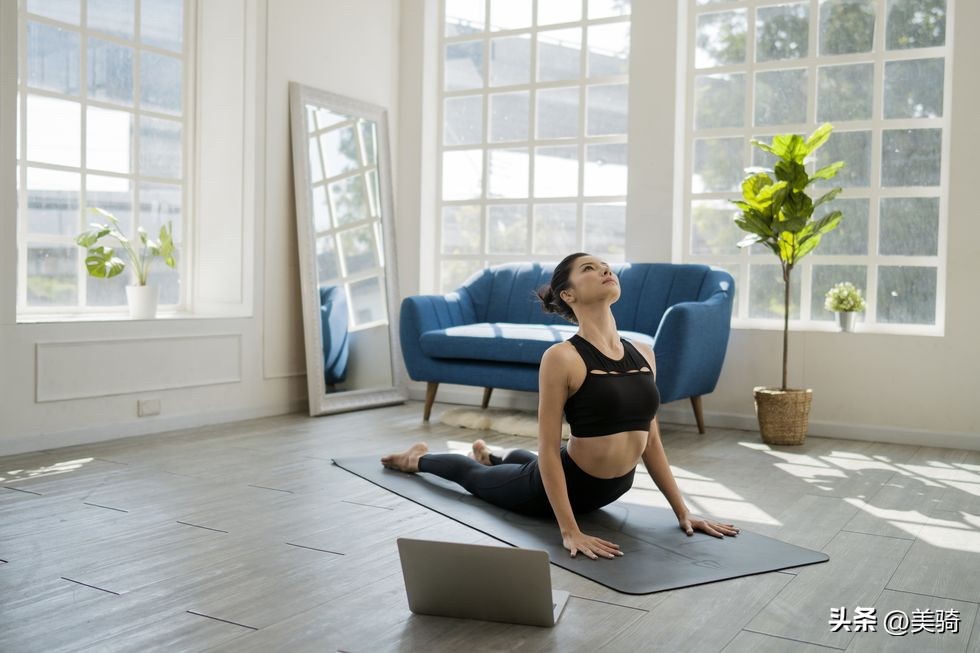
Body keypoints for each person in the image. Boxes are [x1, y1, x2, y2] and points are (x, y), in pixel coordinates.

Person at [382, 252, 739, 560]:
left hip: (613, 488)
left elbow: (652, 441)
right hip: (557, 488)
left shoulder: (644, 353)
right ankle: (416, 459)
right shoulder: (561, 358)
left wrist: (683, 512)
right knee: (475, 478)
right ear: (568, 294)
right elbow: (549, 449)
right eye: (588, 268)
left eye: (604, 265)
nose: (604, 269)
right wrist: (570, 531)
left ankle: (491, 454)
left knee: (523, 464)